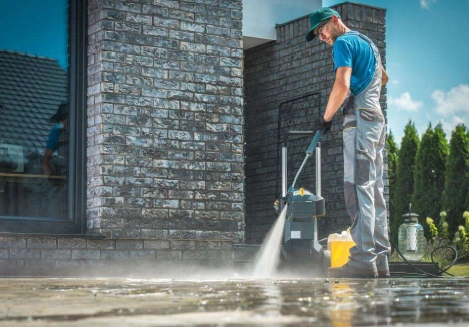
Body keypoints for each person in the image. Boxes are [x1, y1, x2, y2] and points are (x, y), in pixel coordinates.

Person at [305, 8, 390, 278]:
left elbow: (341, 85)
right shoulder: (368, 44)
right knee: (374, 191)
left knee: (358, 188)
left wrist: (326, 118)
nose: (321, 36)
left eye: (321, 29)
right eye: (318, 34)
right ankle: (380, 260)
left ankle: (363, 259)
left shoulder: (343, 42)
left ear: (334, 20)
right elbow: (383, 78)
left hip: (360, 122)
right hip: (376, 120)